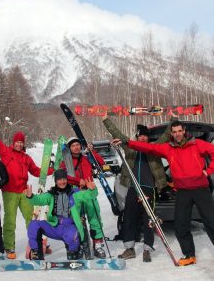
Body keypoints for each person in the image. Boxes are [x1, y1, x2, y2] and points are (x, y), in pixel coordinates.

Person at [114, 119, 214, 266]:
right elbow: (147, 148)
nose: (178, 134)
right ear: (171, 134)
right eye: (174, 132)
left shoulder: (196, 144)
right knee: (180, 225)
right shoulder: (167, 148)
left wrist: (208, 171)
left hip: (200, 190)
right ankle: (189, 255)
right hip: (182, 192)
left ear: (184, 131)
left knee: (211, 222)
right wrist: (127, 142)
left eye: (180, 131)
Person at [0, 115, 54, 259]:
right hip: (9, 191)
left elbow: (36, 171)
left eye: (21, 142)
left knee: (31, 218)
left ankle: (36, 244)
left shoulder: (26, 158)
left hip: (23, 191)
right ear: (13, 143)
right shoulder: (6, 152)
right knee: (10, 219)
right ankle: (9, 247)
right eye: (17, 142)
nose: (19, 144)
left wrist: (51, 170)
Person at [102, 113, 171, 262]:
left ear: (148, 138)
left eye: (145, 136)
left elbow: (166, 136)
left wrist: (174, 120)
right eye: (140, 136)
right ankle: (129, 248)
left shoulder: (154, 148)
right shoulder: (130, 148)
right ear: (137, 136)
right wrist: (105, 119)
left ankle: (147, 249)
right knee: (129, 218)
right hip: (133, 188)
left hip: (149, 188)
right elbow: (117, 134)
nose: (143, 138)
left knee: (149, 220)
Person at [24, 169, 98, 260]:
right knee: (33, 225)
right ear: (56, 181)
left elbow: (88, 195)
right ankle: (36, 253)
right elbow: (39, 200)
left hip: (69, 227)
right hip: (55, 226)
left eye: (64, 179)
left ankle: (73, 251)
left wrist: (92, 190)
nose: (62, 182)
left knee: (73, 237)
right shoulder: (51, 194)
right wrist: (30, 196)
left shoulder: (75, 193)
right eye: (59, 179)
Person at [59, 137, 107, 258]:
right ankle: (79, 245)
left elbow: (101, 163)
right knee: (77, 222)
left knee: (94, 218)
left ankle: (97, 245)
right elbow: (62, 177)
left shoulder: (86, 159)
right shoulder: (65, 162)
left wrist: (92, 152)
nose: (76, 147)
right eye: (73, 145)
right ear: (69, 148)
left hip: (89, 192)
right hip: (75, 194)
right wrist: (77, 180)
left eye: (77, 145)